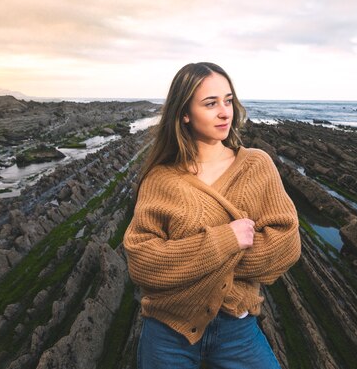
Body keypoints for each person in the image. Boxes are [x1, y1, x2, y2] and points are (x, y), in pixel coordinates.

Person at [123, 62, 301, 369]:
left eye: (228, 101)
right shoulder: (160, 179)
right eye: (210, 103)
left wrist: (185, 260)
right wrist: (225, 241)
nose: (225, 112)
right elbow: (142, 262)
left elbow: (285, 246)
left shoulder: (256, 166)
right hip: (167, 332)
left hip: (237, 329)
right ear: (185, 114)